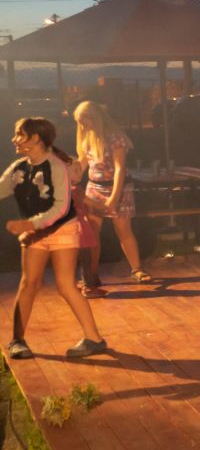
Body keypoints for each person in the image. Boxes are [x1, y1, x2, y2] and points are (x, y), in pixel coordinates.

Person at [4, 117, 109, 360]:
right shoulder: (19, 168)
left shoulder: (56, 167)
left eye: (19, 134)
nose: (14, 139)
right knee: (29, 283)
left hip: (63, 230)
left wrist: (29, 224)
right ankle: (18, 340)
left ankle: (94, 339)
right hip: (36, 233)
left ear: (35, 138)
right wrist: (33, 227)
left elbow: (61, 208)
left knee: (65, 285)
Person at [73, 100, 153, 288]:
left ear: (95, 118)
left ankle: (137, 269)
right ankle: (91, 274)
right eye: (80, 123)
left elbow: (119, 169)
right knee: (92, 232)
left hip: (119, 188)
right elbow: (82, 164)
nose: (83, 126)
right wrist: (69, 178)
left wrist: (114, 197)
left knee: (123, 230)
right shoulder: (86, 138)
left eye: (85, 121)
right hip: (94, 188)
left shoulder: (115, 138)